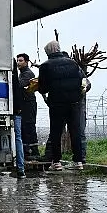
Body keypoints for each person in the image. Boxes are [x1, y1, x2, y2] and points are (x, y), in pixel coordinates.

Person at [37, 40, 86, 171]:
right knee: (75, 131)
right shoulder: (73, 63)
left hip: (57, 104)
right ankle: (78, 161)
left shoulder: (45, 66)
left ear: (48, 52)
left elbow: (43, 88)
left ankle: (56, 162)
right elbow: (82, 80)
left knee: (56, 132)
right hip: (74, 102)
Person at [16, 53, 41, 160]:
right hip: (25, 103)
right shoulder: (22, 73)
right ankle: (27, 151)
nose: (18, 63)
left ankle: (33, 152)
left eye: (21, 60)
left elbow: (20, 85)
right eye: (17, 60)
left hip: (29, 104)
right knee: (24, 128)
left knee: (29, 127)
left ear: (26, 62)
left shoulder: (27, 74)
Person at [11, 58, 26, 178]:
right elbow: (16, 87)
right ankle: (21, 168)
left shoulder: (24, 75)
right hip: (16, 108)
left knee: (18, 137)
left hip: (13, 108)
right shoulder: (15, 74)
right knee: (18, 137)